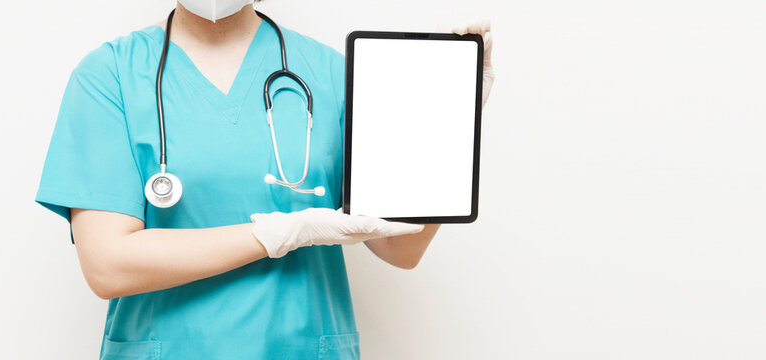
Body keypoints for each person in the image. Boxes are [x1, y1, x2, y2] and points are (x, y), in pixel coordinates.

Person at [34, 0, 494, 358]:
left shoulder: (331, 74)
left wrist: (449, 129)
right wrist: (275, 232)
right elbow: (108, 264)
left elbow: (400, 248)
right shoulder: (110, 75)